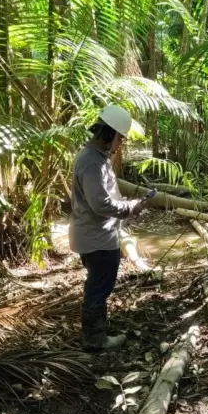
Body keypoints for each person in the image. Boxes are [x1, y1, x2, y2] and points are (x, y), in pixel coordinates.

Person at [69, 104, 146, 352]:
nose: (120, 143)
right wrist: (130, 208)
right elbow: (100, 204)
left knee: (99, 283)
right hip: (96, 238)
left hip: (97, 235)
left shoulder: (96, 157)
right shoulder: (92, 162)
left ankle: (98, 330)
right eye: (120, 138)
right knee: (99, 285)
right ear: (109, 133)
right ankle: (94, 338)